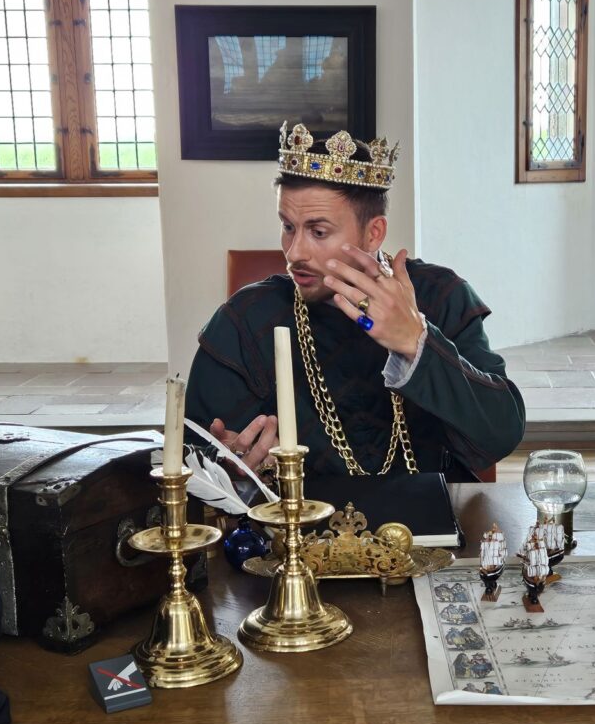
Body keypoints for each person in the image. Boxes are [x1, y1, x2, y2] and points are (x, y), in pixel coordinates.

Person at [185, 122, 524, 480]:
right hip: (300, 529)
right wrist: (225, 461)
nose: (294, 252)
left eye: (318, 232)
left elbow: (500, 434)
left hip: (428, 525)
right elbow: (195, 449)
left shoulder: (441, 296)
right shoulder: (247, 320)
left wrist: (416, 341)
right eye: (288, 226)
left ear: (374, 232)